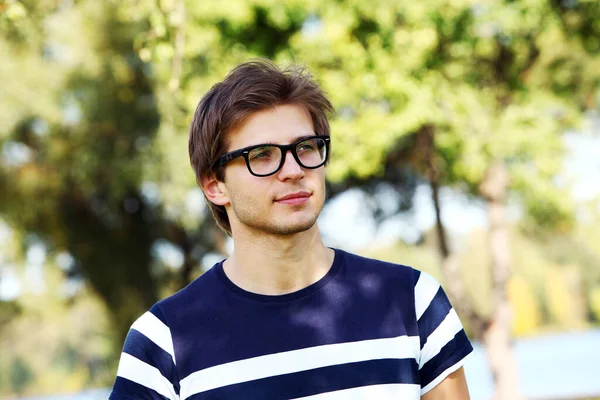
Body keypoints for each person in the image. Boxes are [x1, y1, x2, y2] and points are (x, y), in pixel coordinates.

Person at [110, 59, 473, 400]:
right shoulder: (163, 342)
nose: (294, 169)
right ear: (214, 185)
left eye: (306, 147)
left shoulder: (413, 301)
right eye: (262, 155)